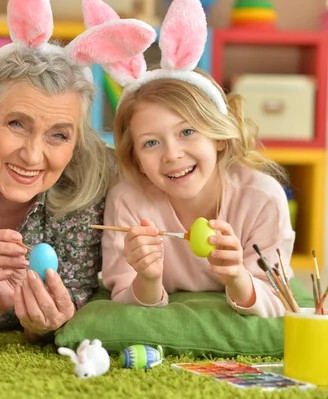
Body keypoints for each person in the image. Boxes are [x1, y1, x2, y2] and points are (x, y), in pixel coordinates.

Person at [0, 0, 156, 341]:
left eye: (59, 135)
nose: (33, 155)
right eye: (17, 124)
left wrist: (43, 329)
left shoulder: (89, 176)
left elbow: (71, 298)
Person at [100, 0, 294, 317]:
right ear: (135, 158)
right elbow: (123, 296)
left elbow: (278, 298)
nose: (173, 154)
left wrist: (237, 277)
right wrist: (147, 278)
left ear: (218, 137)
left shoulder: (262, 199)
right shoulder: (128, 201)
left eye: (187, 132)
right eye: (150, 143)